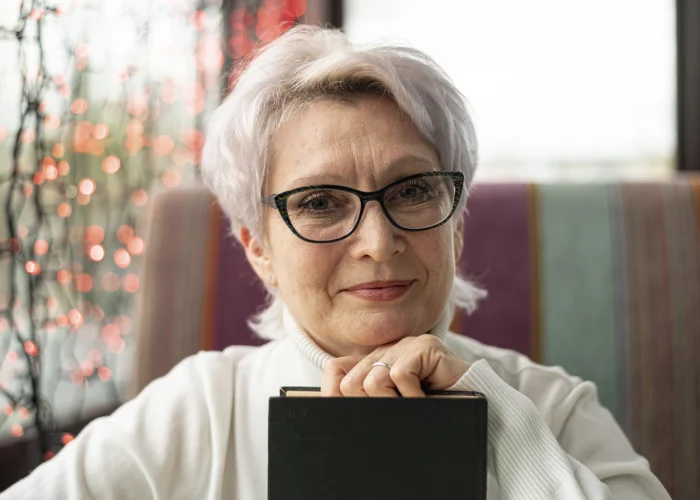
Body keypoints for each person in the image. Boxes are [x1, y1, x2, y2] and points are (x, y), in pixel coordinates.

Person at [1, 26, 670, 500]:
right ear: (257, 246)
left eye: (412, 190)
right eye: (320, 201)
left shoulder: (552, 410)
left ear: (457, 223)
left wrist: (500, 423)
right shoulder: (202, 411)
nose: (377, 241)